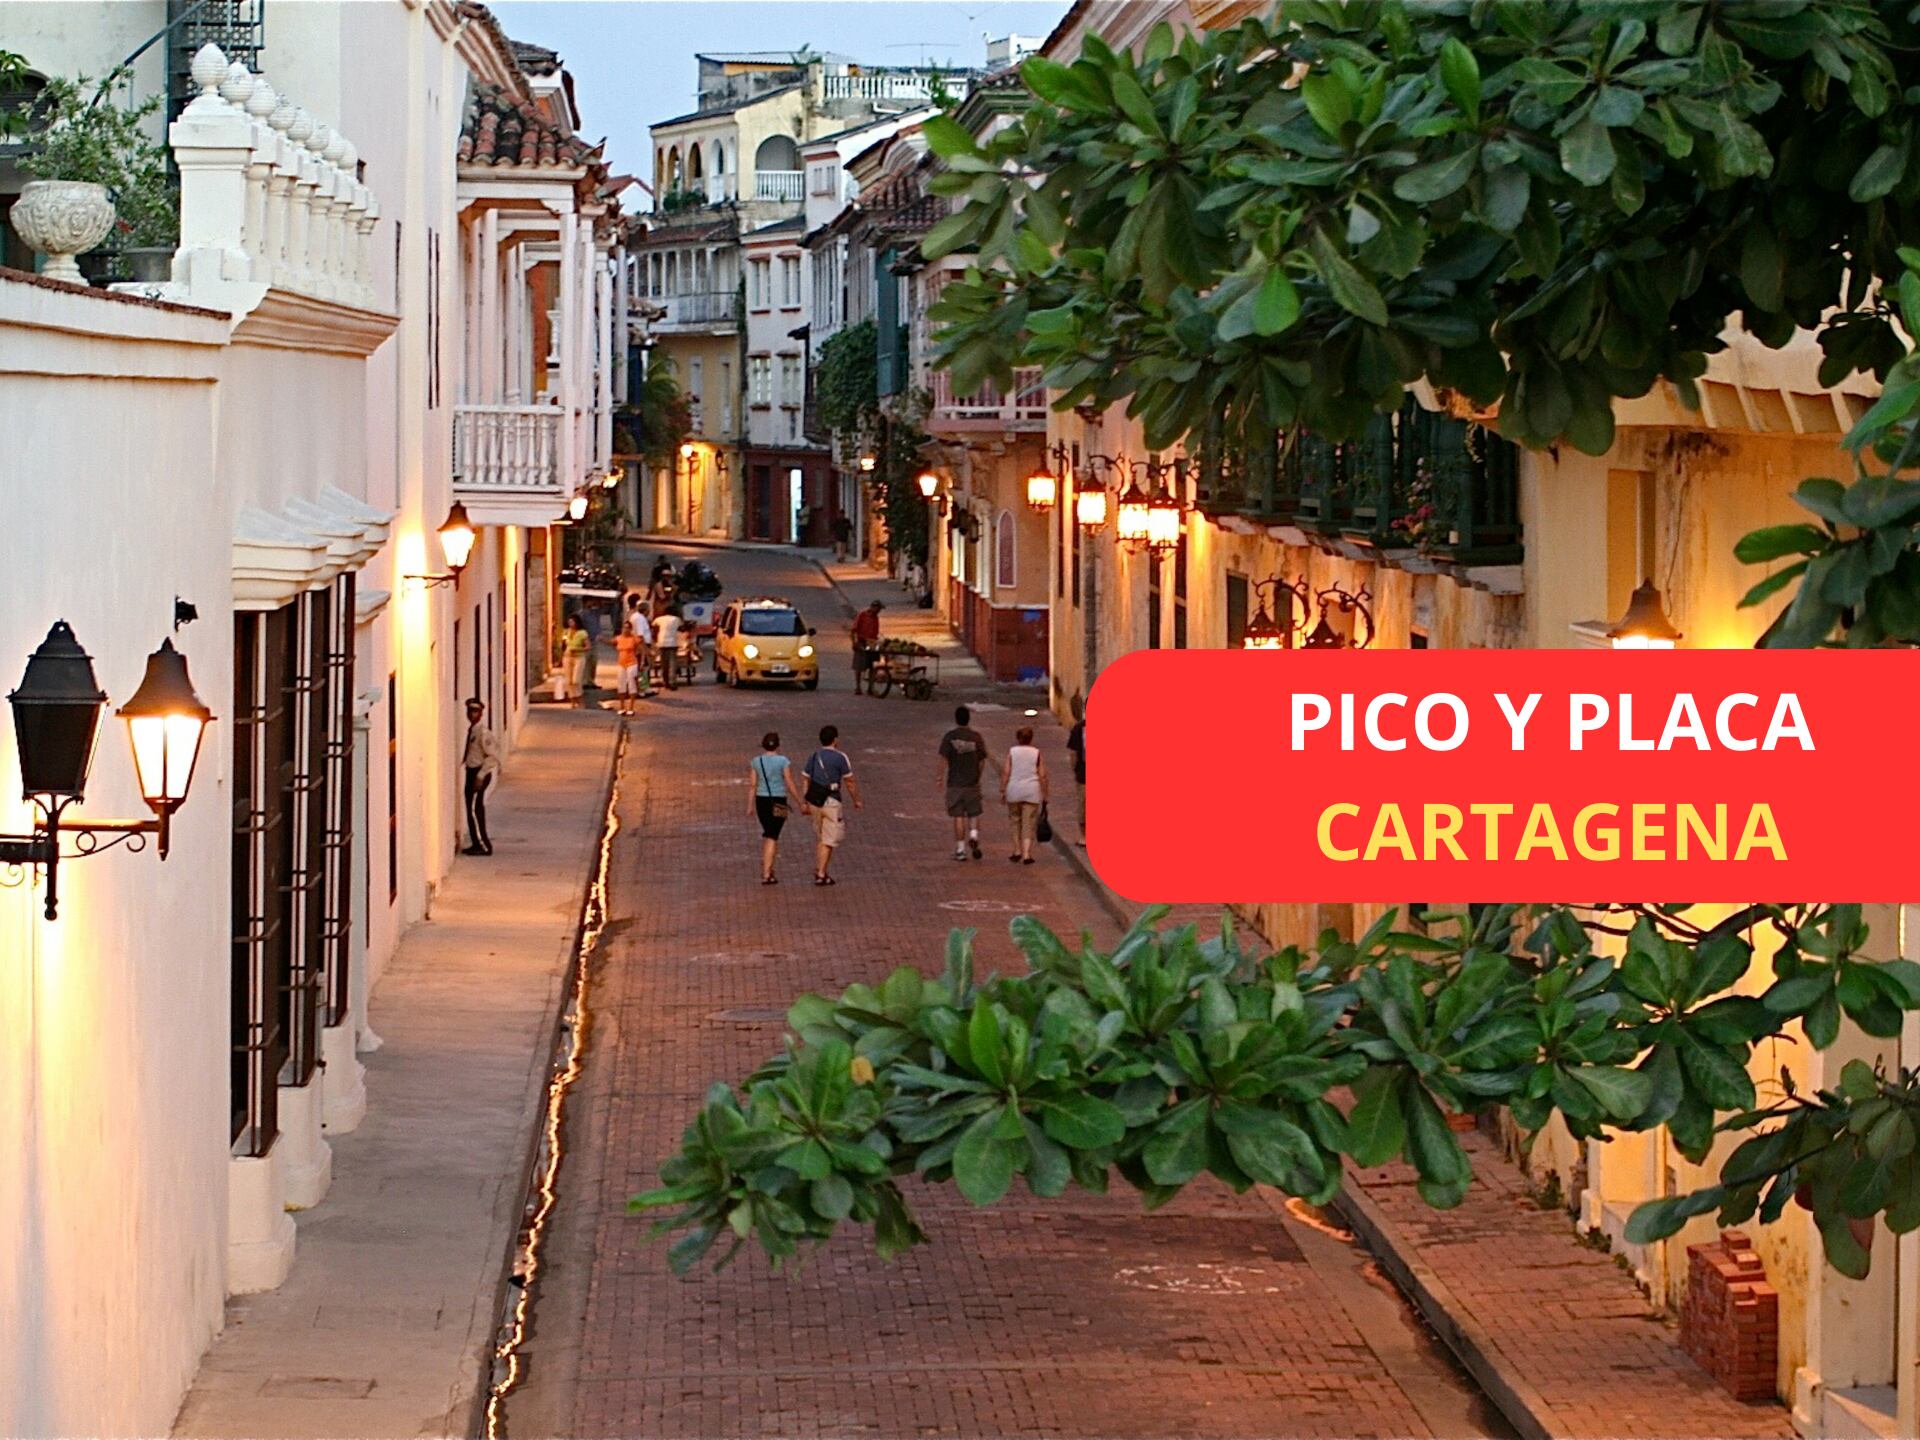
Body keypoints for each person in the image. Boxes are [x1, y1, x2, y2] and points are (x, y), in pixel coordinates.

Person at [801, 724, 861, 886]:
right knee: (829, 839)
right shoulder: (841, 757)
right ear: (835, 740)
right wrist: (856, 800)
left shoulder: (813, 756)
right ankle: (821, 873)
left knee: (821, 836)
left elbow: (805, 778)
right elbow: (850, 782)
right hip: (832, 802)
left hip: (814, 801)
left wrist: (805, 801)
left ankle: (820, 869)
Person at [937, 704, 998, 861]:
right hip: (972, 782)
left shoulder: (950, 737)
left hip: (955, 783)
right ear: (968, 719)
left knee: (958, 816)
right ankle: (974, 835)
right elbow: (982, 760)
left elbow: (943, 759)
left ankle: (960, 849)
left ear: (956, 719)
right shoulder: (976, 737)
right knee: (974, 812)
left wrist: (939, 777)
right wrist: (978, 774)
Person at [749, 731, 801, 885]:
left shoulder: (756, 761)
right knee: (773, 835)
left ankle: (769, 868)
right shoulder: (783, 761)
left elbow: (752, 785)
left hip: (761, 801)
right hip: (779, 800)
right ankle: (767, 872)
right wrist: (799, 801)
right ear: (778, 745)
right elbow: (789, 781)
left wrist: (749, 805)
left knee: (769, 833)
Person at [1002, 725, 1049, 864]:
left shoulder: (1012, 752)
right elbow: (1042, 775)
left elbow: (1006, 772)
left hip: (1014, 789)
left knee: (1015, 820)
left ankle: (1017, 850)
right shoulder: (1036, 753)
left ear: (1018, 738)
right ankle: (1027, 853)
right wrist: (1045, 792)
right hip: (1031, 790)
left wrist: (1002, 789)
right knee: (1029, 822)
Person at [462, 697, 500, 856]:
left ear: (481, 713)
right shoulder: (473, 730)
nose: (472, 714)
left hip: (478, 773)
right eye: (470, 711)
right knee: (470, 809)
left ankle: (484, 845)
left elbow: (492, 756)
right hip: (471, 772)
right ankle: (476, 843)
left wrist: (481, 776)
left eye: (476, 711)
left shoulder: (484, 733)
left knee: (476, 809)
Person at [624, 593, 657, 698]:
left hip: (639, 644)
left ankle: (643, 687)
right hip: (641, 645)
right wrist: (646, 649)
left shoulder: (635, 617)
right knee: (642, 668)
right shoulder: (640, 619)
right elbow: (640, 635)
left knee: (643, 668)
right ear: (646, 610)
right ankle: (641, 689)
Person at [1065, 694, 1087, 847]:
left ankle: (1084, 836)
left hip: (1083, 773)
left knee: (1083, 805)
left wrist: (1074, 769)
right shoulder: (1079, 728)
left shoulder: (1079, 728)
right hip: (1083, 773)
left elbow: (1072, 753)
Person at [559, 614, 591, 707]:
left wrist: (578, 649)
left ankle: (580, 699)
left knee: (576, 680)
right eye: (569, 622)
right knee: (569, 681)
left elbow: (588, 646)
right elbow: (564, 644)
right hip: (567, 657)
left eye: (572, 622)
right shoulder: (566, 632)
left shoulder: (582, 633)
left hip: (578, 657)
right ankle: (572, 701)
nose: (570, 624)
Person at [851, 599, 883, 688]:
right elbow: (853, 630)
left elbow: (875, 632)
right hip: (861, 642)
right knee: (859, 666)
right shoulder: (862, 615)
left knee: (872, 665)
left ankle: (870, 687)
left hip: (872, 643)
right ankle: (858, 686)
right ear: (873, 608)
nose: (879, 611)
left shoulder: (876, 618)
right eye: (878, 609)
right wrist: (854, 643)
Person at [613, 625, 642, 716]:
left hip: (632, 663)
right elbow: (611, 642)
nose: (625, 630)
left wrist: (642, 662)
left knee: (632, 684)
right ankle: (622, 706)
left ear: (630, 629)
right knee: (621, 684)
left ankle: (631, 707)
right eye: (624, 628)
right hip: (621, 663)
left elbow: (641, 649)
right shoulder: (619, 638)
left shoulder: (634, 639)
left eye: (627, 628)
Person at [652, 606, 683, 690]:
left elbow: (653, 626)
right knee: (672, 664)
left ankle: (665, 682)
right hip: (672, 643)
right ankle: (672, 682)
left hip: (661, 642)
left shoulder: (659, 619)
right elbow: (681, 627)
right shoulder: (676, 619)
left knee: (664, 664)